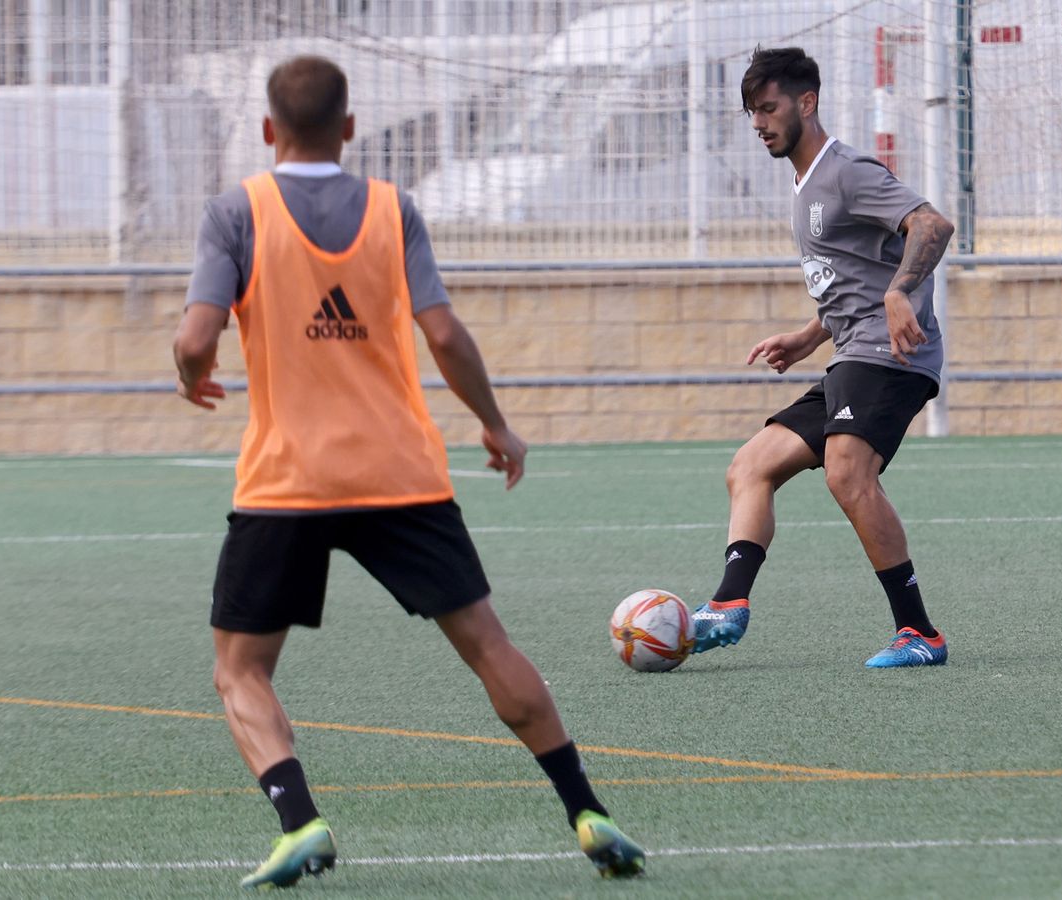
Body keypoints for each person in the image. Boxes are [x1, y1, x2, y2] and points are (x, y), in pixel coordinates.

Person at [173, 55, 644, 889]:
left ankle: (300, 821)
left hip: (287, 482)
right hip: (403, 476)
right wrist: (495, 425)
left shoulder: (233, 212)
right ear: (350, 128)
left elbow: (193, 337)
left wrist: (191, 370)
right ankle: (584, 807)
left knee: (240, 669)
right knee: (486, 643)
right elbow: (448, 336)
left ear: (266, 130)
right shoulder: (394, 210)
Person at [689, 47, 955, 669]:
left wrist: (898, 295)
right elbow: (854, 274)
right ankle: (729, 604)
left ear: (806, 103)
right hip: (851, 353)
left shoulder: (847, 171)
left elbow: (932, 226)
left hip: (892, 355)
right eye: (751, 111)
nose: (758, 122)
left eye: (769, 107)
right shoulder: (805, 182)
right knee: (751, 466)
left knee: (846, 471)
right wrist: (810, 336)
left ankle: (920, 633)